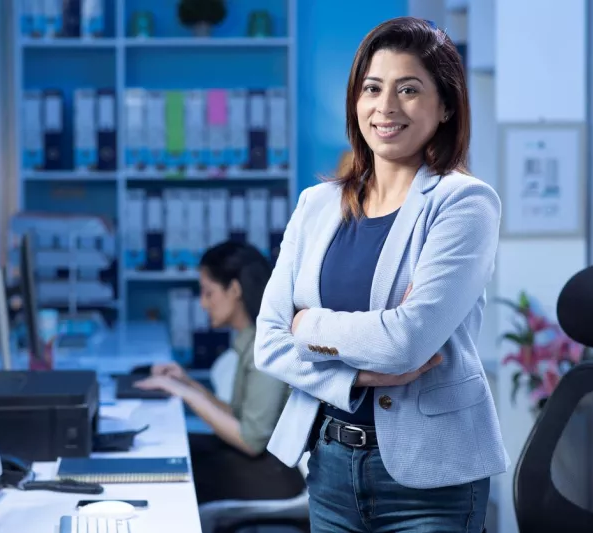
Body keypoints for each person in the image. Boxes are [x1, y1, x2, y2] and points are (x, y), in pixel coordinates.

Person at [254, 17, 508, 532]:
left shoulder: (464, 204)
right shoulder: (316, 206)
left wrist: (308, 326)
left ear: (446, 106)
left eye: (409, 90)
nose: (386, 107)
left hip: (431, 483)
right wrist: (359, 376)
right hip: (329, 467)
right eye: (372, 88)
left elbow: (404, 345)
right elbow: (268, 344)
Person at [134, 241, 305, 505]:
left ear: (234, 290)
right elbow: (236, 415)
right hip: (259, 463)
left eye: (208, 293)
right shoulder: (249, 339)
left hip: (273, 474)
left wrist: (187, 395)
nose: (203, 304)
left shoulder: (268, 343)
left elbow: (251, 439)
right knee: (174, 451)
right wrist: (187, 384)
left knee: (170, 476)